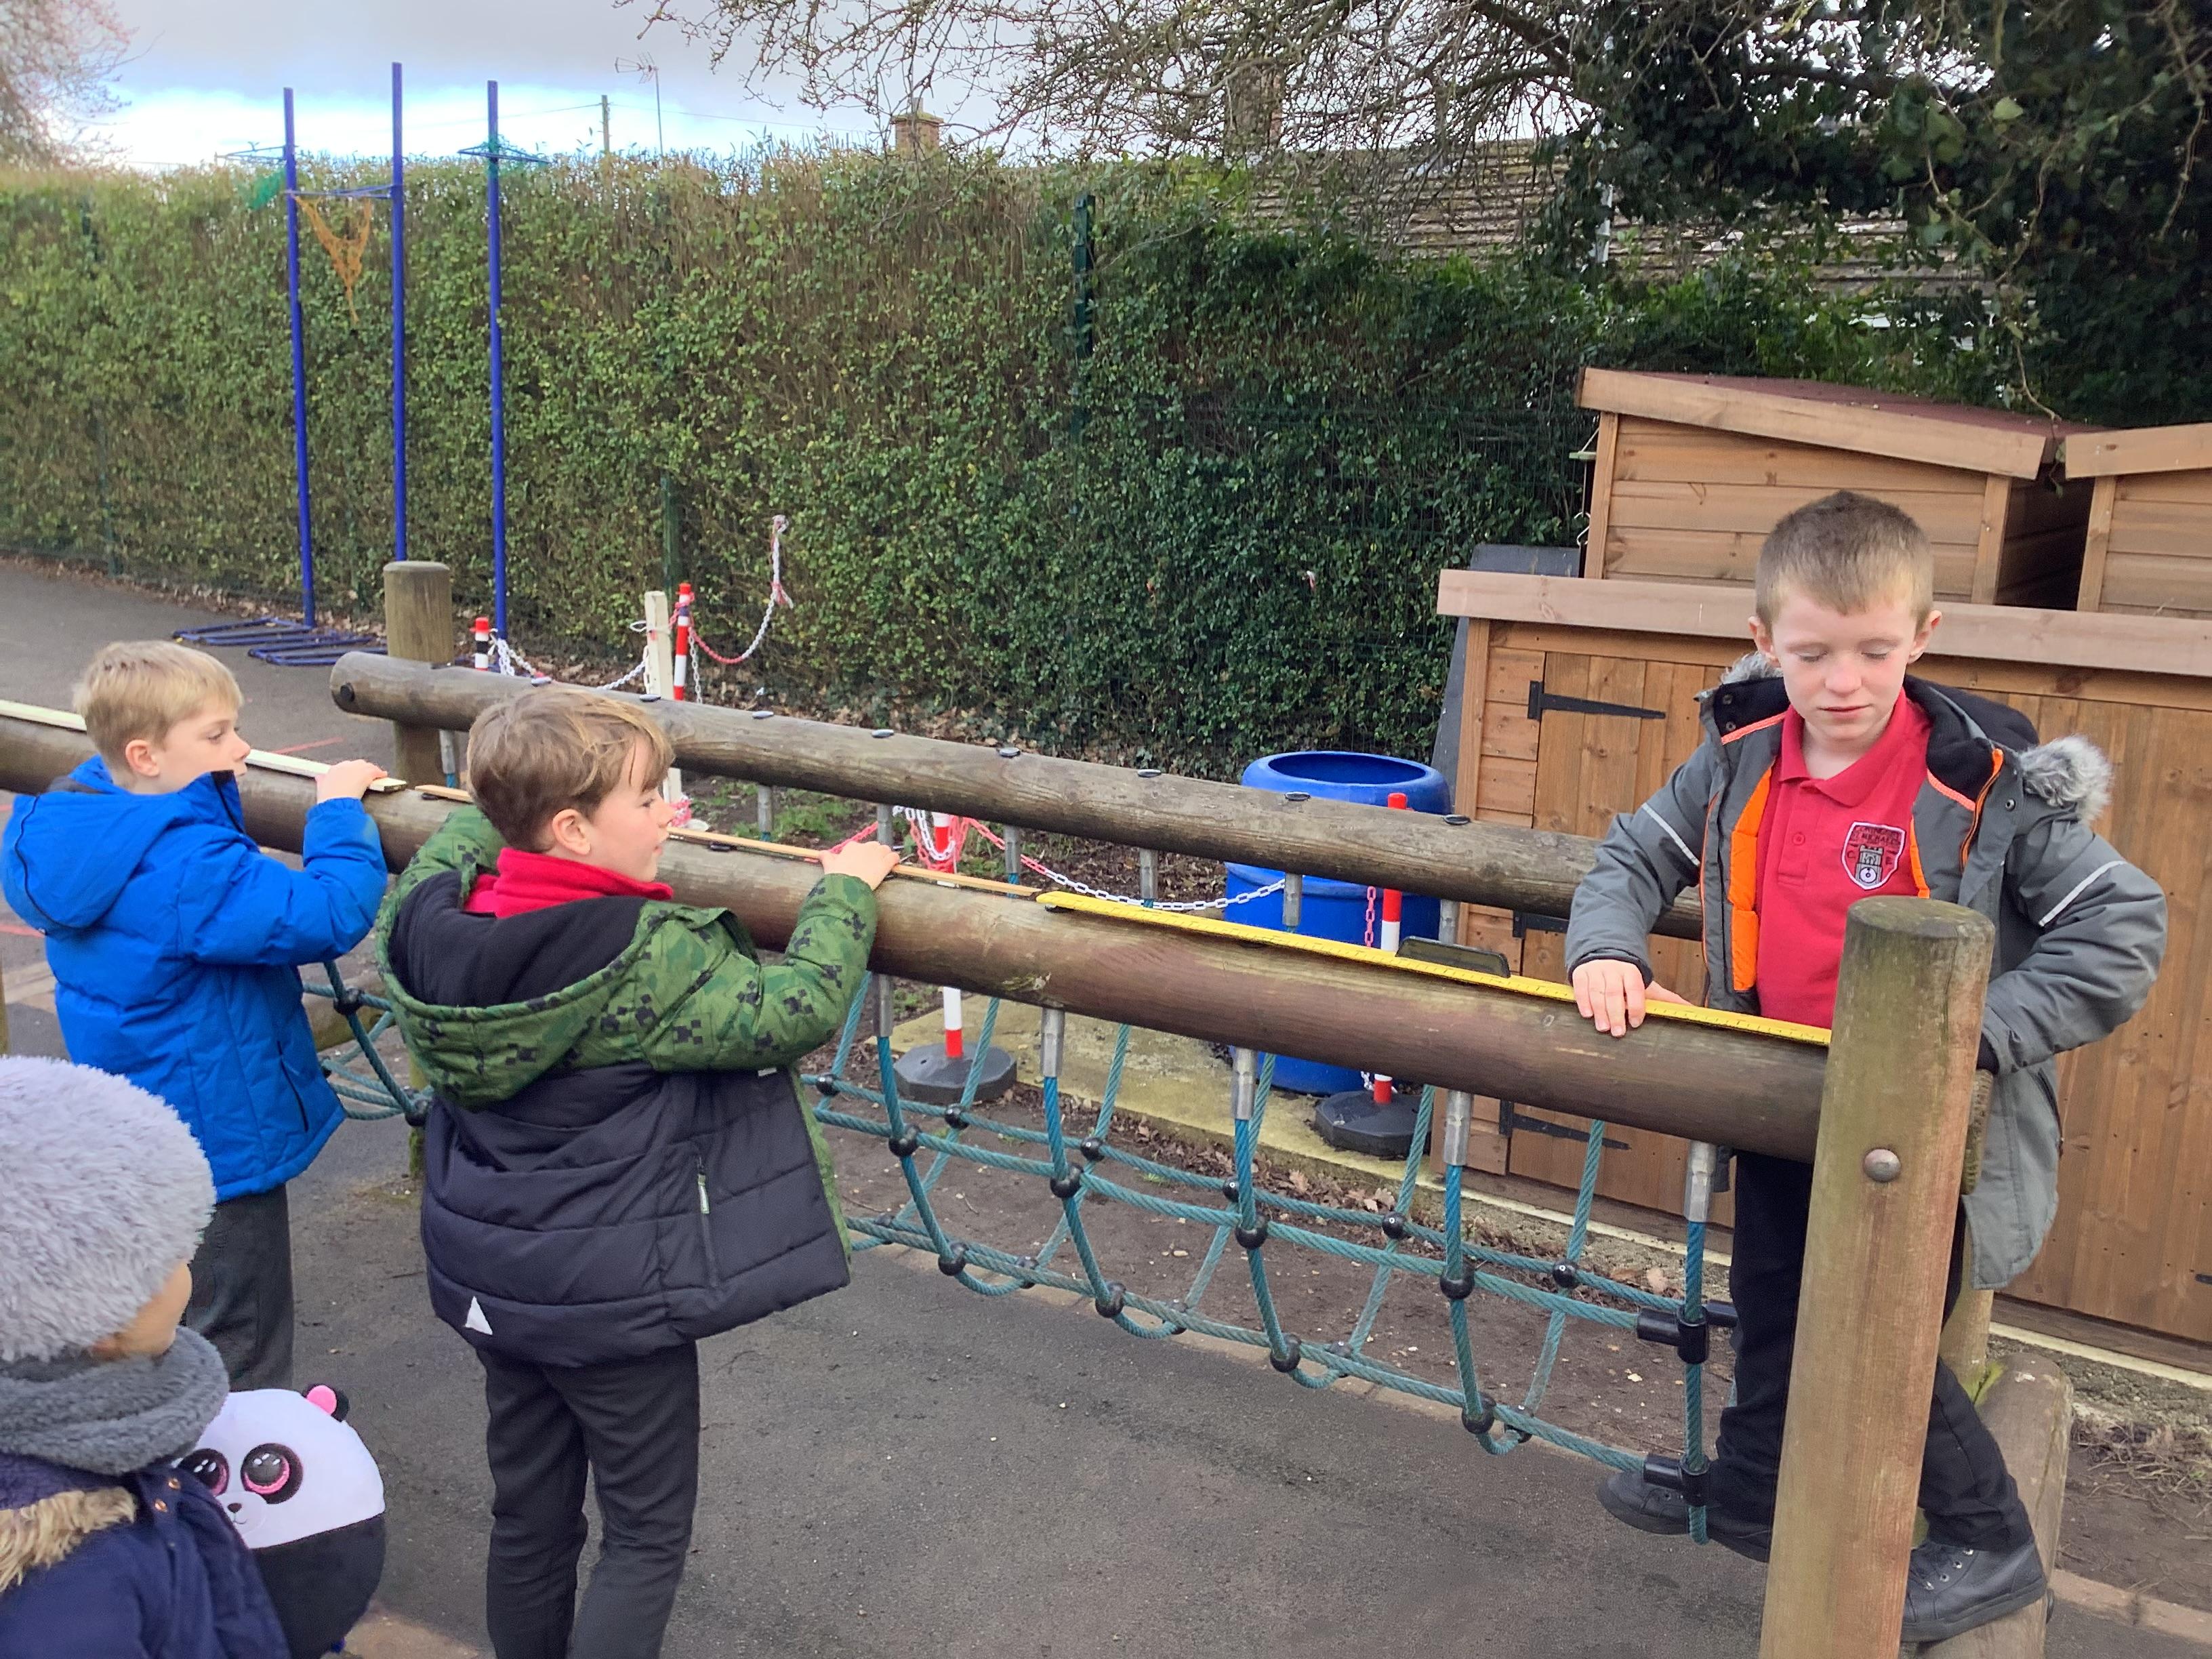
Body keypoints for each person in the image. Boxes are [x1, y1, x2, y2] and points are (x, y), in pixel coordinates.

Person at [1564, 491, 2165, 1643]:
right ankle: (1753, 1490)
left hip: (1914, 1123)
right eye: (1811, 654)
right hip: (1788, 1096)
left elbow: (2121, 929)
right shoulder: (1739, 755)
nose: (1843, 681)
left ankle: (1987, 1538)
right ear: (1764, 642)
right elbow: (1631, 858)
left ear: (1922, 636)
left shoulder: (1985, 785)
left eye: (1874, 651)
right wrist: (1606, 950)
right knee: (1773, 1300)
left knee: (1870, 1337)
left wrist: (1960, 1034)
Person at [376, 689, 899, 1659]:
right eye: (649, 798)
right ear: (572, 830)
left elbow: (446, 854)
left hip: (496, 1282)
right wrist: (845, 894)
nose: (671, 815)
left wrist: (491, 814)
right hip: (612, 1300)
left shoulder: (426, 925)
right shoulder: (639, 957)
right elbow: (796, 1007)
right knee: (646, 1532)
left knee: (529, 1516)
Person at [1, 642, 388, 1390]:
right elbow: (326, 912)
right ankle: (240, 1454)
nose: (240, 749)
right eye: (216, 735)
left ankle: (169, 1438)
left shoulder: (82, 822)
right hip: (218, 1137)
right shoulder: (183, 863)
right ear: (145, 756)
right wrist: (338, 812)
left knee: (170, 1315)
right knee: (239, 1333)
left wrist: (209, 785)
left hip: (140, 1127)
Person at [0, 1054, 290, 1658]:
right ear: (105, 1312)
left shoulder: (89, 1453)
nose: (188, 1270)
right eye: (174, 1255)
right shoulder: (75, 1577)